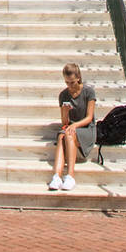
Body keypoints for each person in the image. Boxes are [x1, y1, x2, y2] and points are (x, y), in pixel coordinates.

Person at [51, 63, 97, 191]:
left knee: (68, 134)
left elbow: (89, 117)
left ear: (78, 78)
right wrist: (65, 111)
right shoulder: (63, 95)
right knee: (61, 135)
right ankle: (57, 176)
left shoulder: (88, 92)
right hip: (70, 128)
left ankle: (70, 175)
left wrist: (75, 125)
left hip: (86, 129)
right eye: (66, 82)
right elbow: (64, 123)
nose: (69, 86)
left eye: (72, 82)